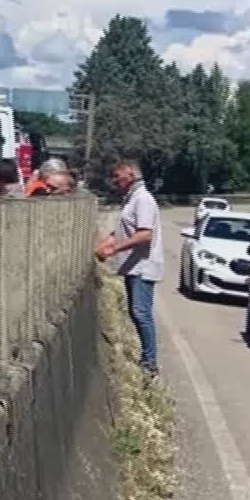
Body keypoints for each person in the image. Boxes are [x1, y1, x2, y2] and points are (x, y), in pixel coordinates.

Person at [96, 159, 162, 377]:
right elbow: (125, 229)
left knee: (141, 313)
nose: (115, 180)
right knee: (137, 313)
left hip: (143, 265)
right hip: (134, 265)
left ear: (130, 174)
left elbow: (144, 234)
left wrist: (114, 250)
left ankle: (150, 362)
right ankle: (147, 358)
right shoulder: (132, 199)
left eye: (118, 176)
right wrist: (108, 241)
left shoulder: (143, 200)